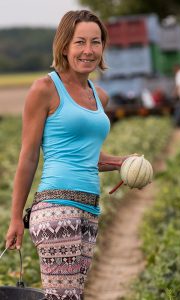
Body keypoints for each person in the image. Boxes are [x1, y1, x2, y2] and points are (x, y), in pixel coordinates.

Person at [5, 10, 132, 300]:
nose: (88, 50)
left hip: (90, 208)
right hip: (55, 208)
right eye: (80, 42)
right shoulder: (45, 89)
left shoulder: (99, 96)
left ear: (102, 48)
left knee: (70, 295)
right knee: (64, 297)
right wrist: (15, 218)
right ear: (64, 46)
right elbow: (28, 157)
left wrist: (122, 163)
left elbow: (88, 156)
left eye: (96, 42)